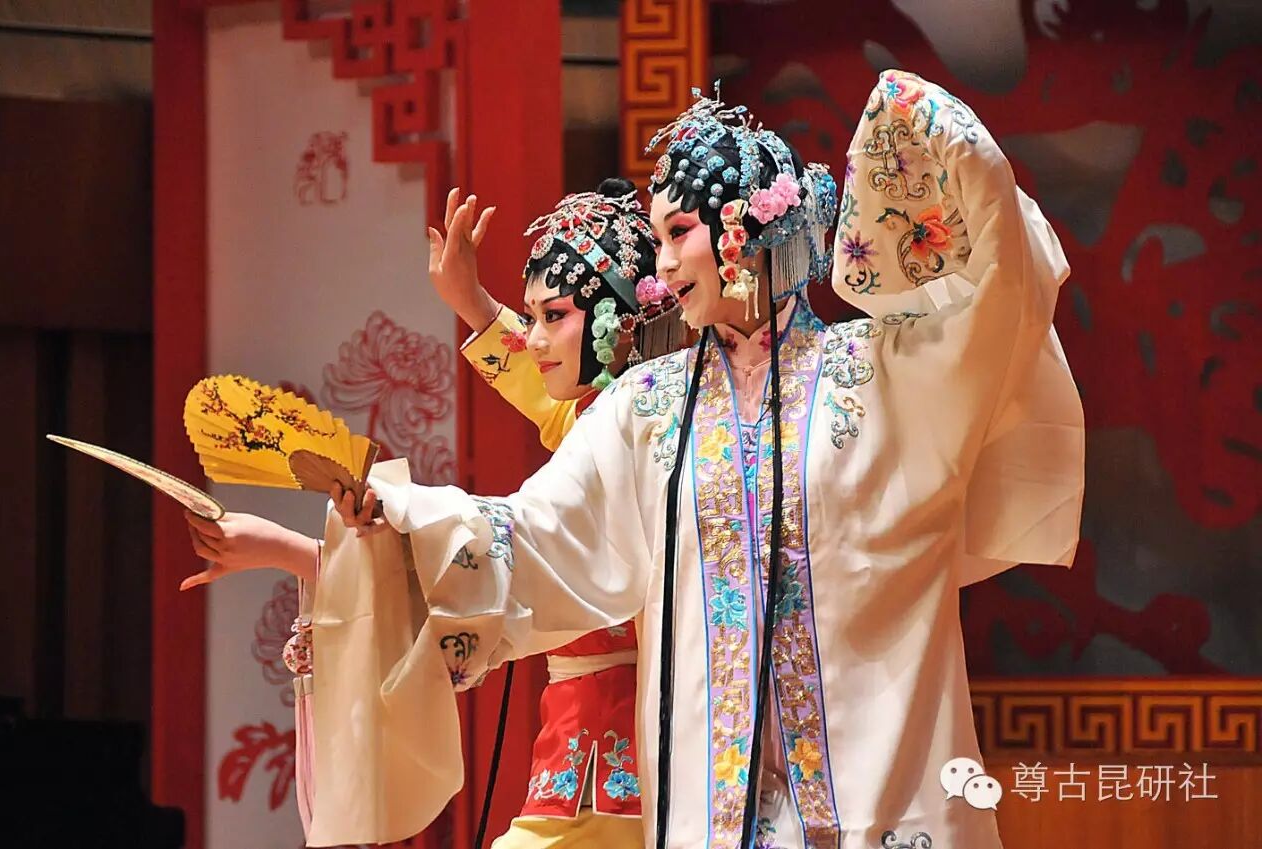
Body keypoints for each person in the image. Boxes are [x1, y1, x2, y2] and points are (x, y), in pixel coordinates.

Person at [190, 70, 1085, 849]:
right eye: (656, 239)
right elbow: (534, 534)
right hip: (704, 807)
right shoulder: (647, 410)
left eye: (678, 231)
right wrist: (400, 515)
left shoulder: (883, 376)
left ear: (742, 231)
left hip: (879, 794)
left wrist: (948, 142)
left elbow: (1001, 305)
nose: (660, 266)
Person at [183, 180, 683, 847]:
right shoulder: (602, 420)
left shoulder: (647, 429)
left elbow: (504, 548)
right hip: (583, 759)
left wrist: (356, 522)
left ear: (620, 320)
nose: (534, 339)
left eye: (553, 315)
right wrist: (471, 301)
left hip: (629, 764)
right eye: (529, 318)